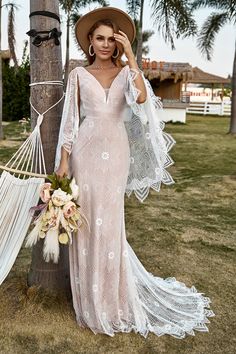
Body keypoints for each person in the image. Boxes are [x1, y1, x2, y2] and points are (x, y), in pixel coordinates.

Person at [54, 6, 215, 338]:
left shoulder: (127, 73)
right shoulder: (78, 75)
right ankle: (89, 300)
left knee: (110, 223)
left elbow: (141, 98)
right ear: (89, 42)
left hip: (115, 151)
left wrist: (130, 55)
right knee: (84, 221)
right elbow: (70, 119)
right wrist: (65, 160)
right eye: (99, 39)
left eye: (111, 40)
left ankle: (111, 301)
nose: (104, 45)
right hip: (85, 151)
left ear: (117, 43)